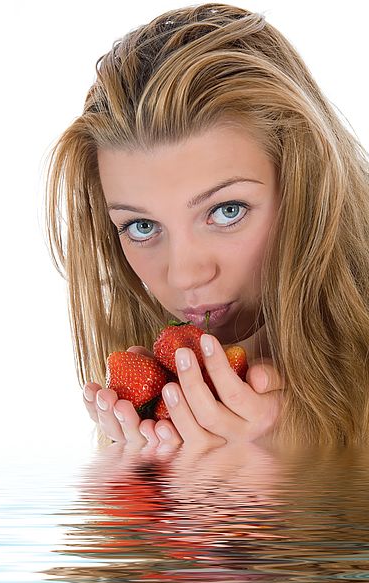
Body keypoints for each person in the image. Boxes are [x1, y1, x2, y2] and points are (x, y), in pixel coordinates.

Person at [43, 3, 369, 446]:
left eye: (226, 210)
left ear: (306, 186)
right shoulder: (155, 410)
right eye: (141, 226)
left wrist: (312, 459)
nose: (184, 275)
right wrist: (153, 492)